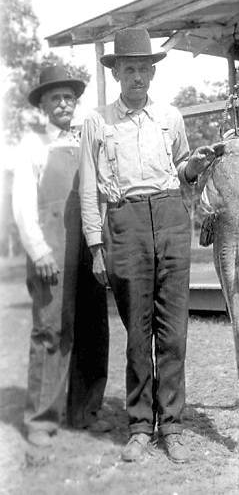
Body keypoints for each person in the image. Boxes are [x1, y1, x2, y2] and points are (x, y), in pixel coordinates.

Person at [79, 28, 220, 463]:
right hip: (125, 222)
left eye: (144, 68)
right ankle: (140, 426)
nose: (137, 75)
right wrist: (96, 244)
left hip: (171, 215)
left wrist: (192, 167)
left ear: (152, 73)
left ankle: (172, 426)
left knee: (173, 331)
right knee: (137, 333)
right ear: (117, 72)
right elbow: (89, 188)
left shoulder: (170, 117)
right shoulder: (97, 122)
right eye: (130, 68)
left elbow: (180, 170)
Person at [13, 65, 111, 448]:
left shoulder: (87, 141)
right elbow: (22, 205)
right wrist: (38, 250)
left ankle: (85, 411)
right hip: (51, 250)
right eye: (55, 98)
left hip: (87, 248)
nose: (63, 104)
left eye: (69, 97)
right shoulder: (33, 145)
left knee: (92, 329)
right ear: (44, 105)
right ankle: (41, 419)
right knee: (50, 330)